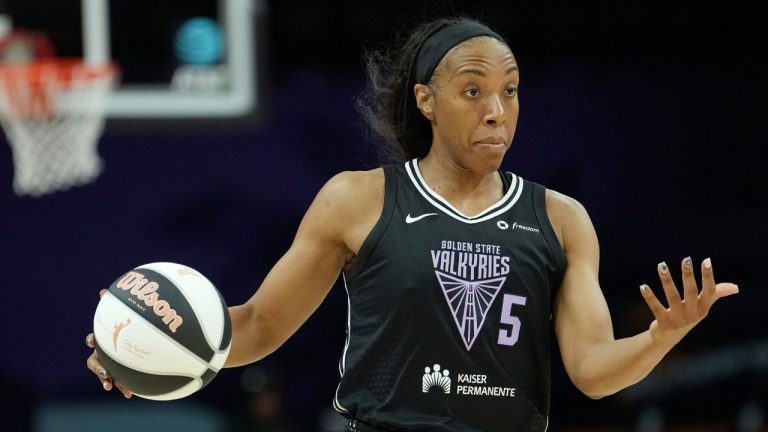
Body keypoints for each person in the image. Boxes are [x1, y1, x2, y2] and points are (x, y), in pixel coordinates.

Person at [85, 16, 739, 432]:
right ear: (426, 100)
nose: (497, 110)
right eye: (474, 89)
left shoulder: (562, 219)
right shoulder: (357, 200)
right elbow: (257, 326)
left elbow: (593, 369)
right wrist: (147, 349)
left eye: (510, 90)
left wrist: (659, 337)